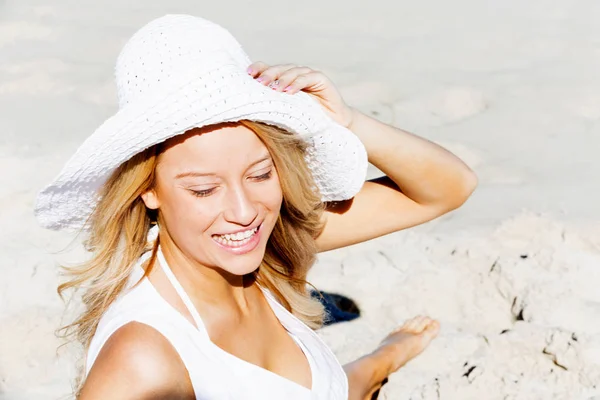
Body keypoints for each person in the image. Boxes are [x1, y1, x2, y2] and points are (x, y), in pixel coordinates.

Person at [34, 14, 477, 400]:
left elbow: (448, 188)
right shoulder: (144, 362)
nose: (244, 212)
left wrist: (349, 121)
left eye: (260, 175)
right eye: (204, 190)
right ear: (148, 191)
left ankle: (379, 360)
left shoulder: (267, 247)